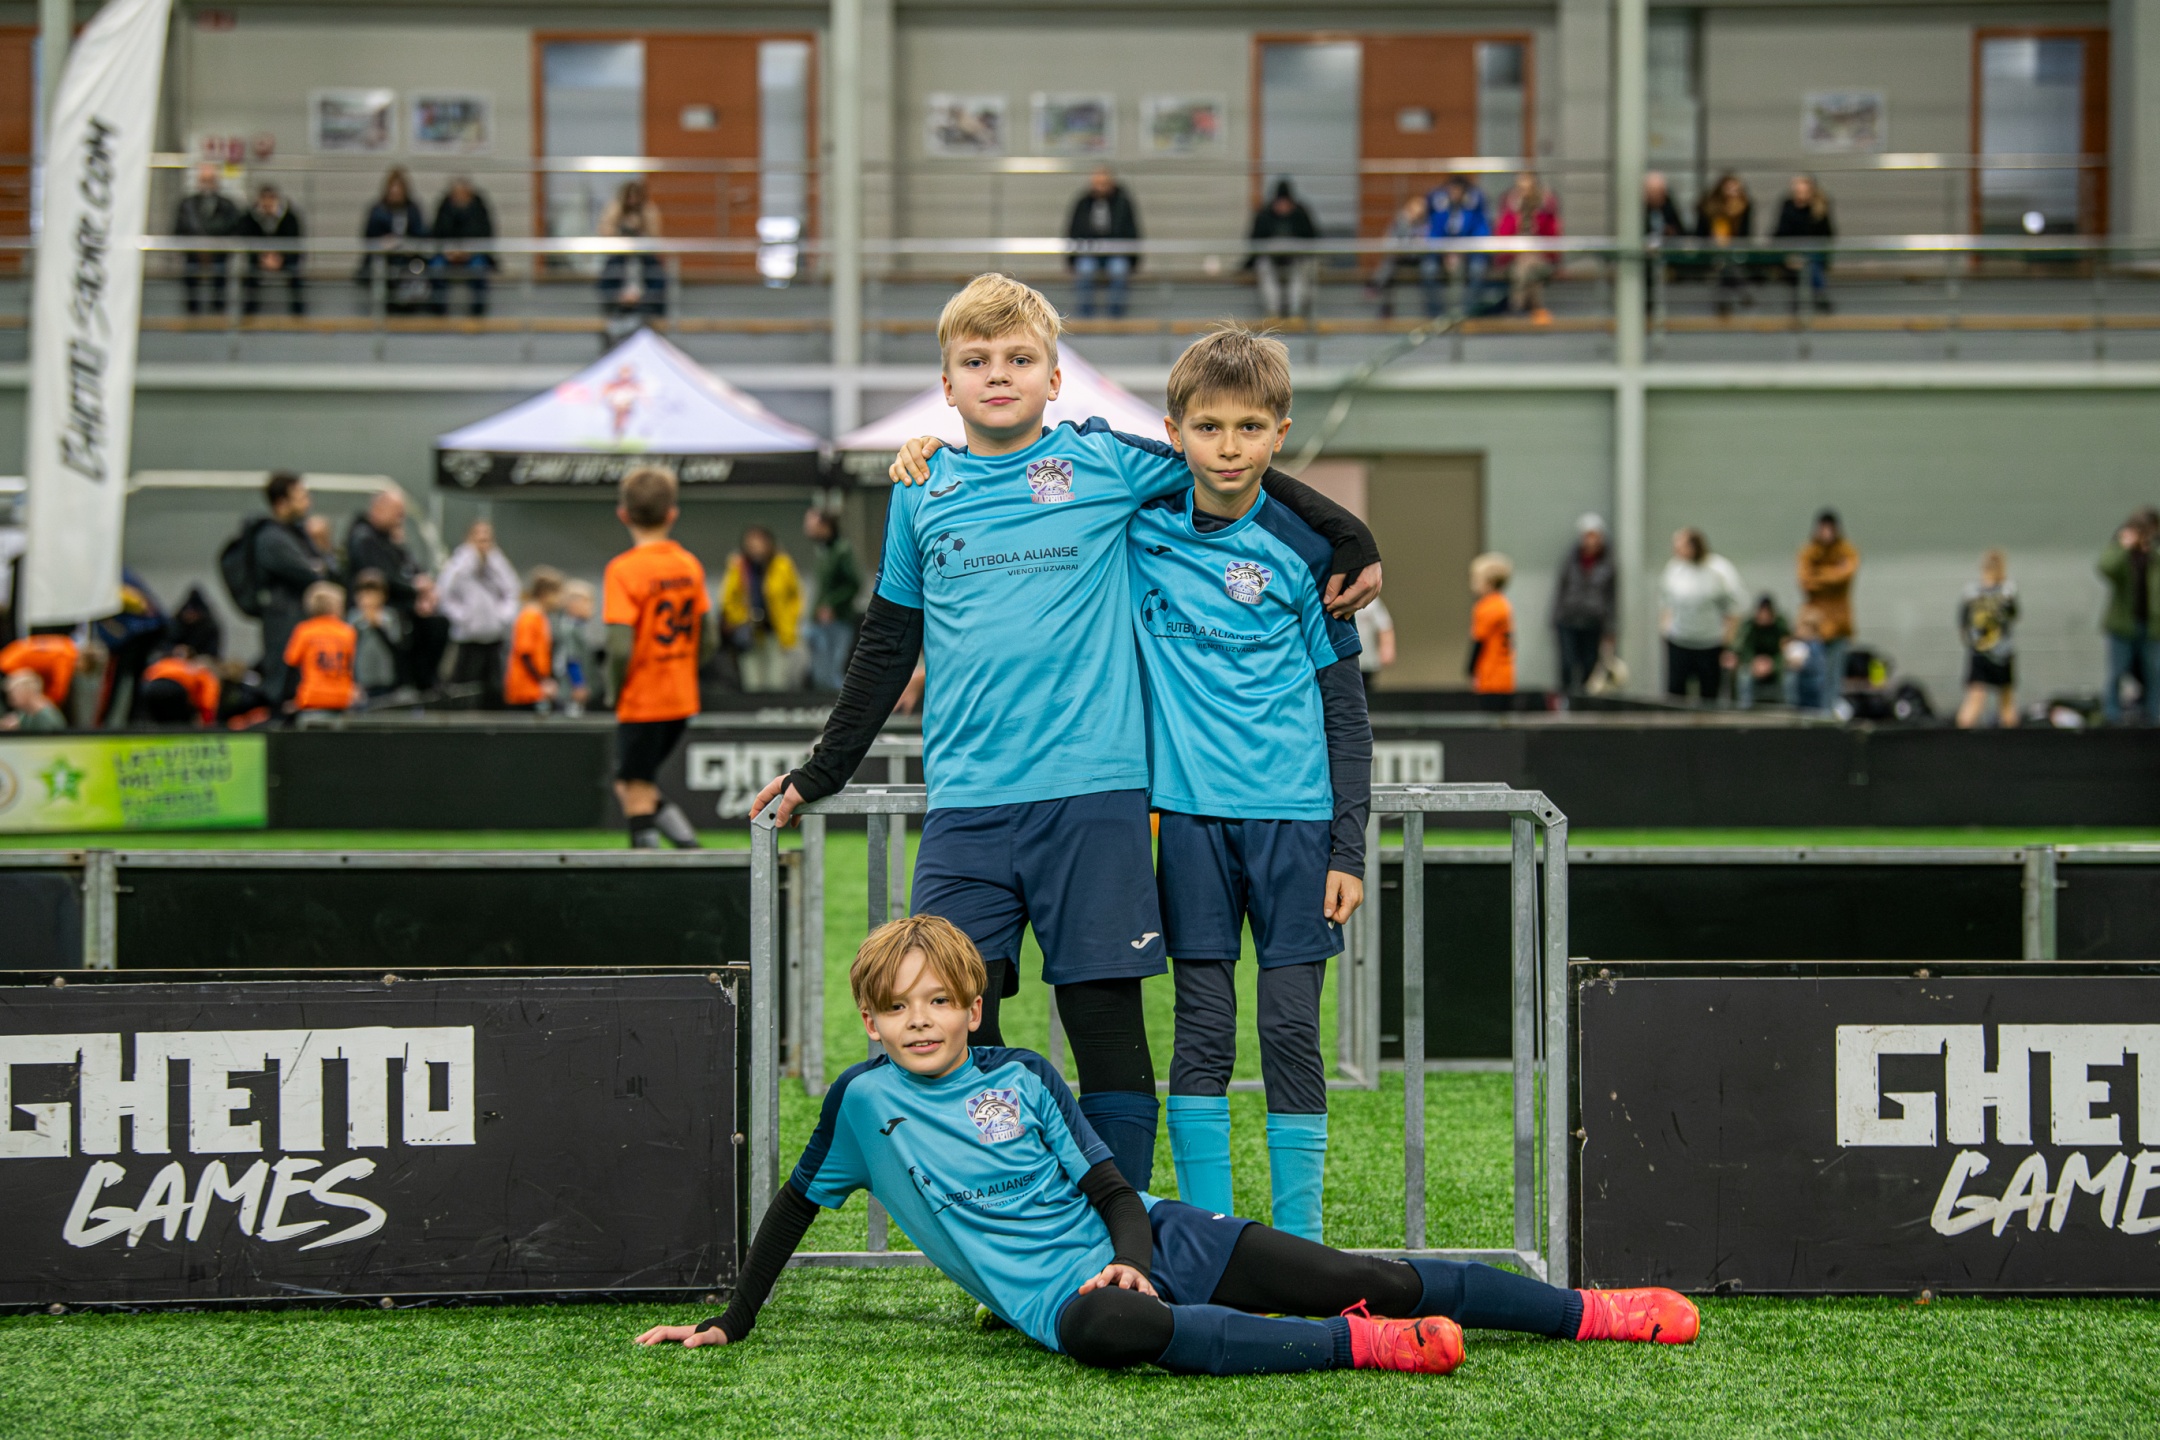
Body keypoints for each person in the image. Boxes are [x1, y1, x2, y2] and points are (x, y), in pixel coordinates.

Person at [753, 273, 1381, 1192]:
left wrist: (1349, 535)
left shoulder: (1106, 464)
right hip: (967, 807)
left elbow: (1226, 455)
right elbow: (887, 644)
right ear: (947, 384)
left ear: (1054, 379)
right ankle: (1014, 1225)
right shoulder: (921, 490)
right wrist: (823, 769)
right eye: (976, 361)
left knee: (1105, 1030)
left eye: (1019, 359)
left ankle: (1120, 1238)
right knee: (953, 1023)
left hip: (1095, 801)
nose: (998, 375)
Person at [633, 915, 1698, 1373]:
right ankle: (1364, 1347)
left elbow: (1109, 1189)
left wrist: (1135, 1258)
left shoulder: (1024, 1075)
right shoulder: (862, 1105)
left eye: (940, 1002)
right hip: (1065, 1298)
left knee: (1360, 1274)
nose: (921, 1022)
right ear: (870, 1020)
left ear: (973, 1009)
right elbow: (794, 1205)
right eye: (899, 1007)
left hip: (1152, 1242)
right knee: (1118, 1333)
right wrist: (731, 1319)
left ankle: (1588, 1313)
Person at [1128, 328, 1370, 1243]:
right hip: (1189, 825)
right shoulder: (1137, 527)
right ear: (1174, 433)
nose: (1229, 447)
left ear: (1280, 434)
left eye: (1251, 427)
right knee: (1201, 1031)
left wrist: (1349, 847)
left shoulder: (1310, 554)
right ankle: (1214, 1239)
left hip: (1296, 827)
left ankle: (1301, 1246)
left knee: (1291, 1032)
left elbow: (1345, 713)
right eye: (1208, 427)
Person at [605, 465, 715, 848]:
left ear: (623, 515)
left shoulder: (623, 570)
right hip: (681, 698)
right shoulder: (688, 565)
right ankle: (690, 850)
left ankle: (652, 863)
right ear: (672, 514)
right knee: (634, 781)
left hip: (643, 698)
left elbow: (620, 646)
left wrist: (613, 690)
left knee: (634, 786)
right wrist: (683, 669)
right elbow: (708, 637)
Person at [344, 489, 445, 693]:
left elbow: (409, 570)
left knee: (436, 622)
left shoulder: (389, 540)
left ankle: (422, 684)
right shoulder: (364, 538)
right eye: (397, 512)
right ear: (380, 509)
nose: (401, 518)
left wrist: (424, 592)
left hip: (399, 605)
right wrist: (414, 589)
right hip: (386, 608)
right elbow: (382, 578)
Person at [251, 471, 329, 698]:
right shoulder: (271, 538)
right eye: (300, 496)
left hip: (298, 623)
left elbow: (323, 569)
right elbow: (310, 573)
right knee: (283, 691)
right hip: (284, 629)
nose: (308, 502)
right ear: (281, 503)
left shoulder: (297, 534)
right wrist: (317, 567)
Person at [436, 520, 520, 708]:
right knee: (463, 685)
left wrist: (503, 617)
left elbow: (512, 591)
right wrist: (463, 617)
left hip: (494, 637)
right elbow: (444, 595)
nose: (483, 544)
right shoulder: (457, 566)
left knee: (494, 687)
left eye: (487, 539)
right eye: (479, 539)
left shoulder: (498, 563)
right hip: (467, 638)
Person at [1659, 528, 1744, 703]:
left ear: (1694, 546)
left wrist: (1728, 643)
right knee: (1675, 694)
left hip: (1709, 644)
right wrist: (1665, 629)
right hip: (1679, 642)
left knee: (1709, 695)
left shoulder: (1719, 570)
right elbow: (1665, 601)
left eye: (1680, 546)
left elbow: (1734, 607)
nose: (1675, 550)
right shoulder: (1674, 568)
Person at [720, 526, 804, 693]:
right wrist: (741, 618)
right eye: (752, 543)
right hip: (750, 632)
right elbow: (728, 599)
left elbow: (795, 596)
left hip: (775, 631)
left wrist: (790, 620)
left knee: (777, 681)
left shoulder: (782, 564)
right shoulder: (738, 566)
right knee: (752, 681)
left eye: (760, 542)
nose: (756, 547)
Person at [2099, 515, 2160, 724]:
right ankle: (2112, 717)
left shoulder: (2155, 557)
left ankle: (2154, 715)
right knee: (2118, 671)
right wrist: (2123, 547)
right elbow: (2106, 567)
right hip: (2123, 626)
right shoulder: (2123, 557)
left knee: (2154, 672)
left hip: (2152, 627)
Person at [1796, 508, 1859, 708]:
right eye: (1822, 528)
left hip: (1839, 624)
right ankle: (1815, 712)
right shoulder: (1809, 552)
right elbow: (1805, 581)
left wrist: (1819, 574)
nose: (1826, 533)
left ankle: (1829, 711)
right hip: (1814, 624)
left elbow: (1846, 575)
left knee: (1834, 674)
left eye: (1830, 528)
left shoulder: (1846, 551)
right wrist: (1833, 572)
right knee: (1813, 672)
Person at [1550, 513, 1615, 696]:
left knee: (1589, 665)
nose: (1590, 541)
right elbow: (1561, 588)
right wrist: (1556, 616)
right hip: (1568, 618)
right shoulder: (1571, 559)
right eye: (1587, 536)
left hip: (1593, 621)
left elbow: (1611, 597)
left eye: (1594, 536)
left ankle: (1585, 702)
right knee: (1567, 664)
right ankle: (1565, 700)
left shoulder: (1608, 563)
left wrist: (1611, 628)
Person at [1066, 168, 1142, 320]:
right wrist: (1072, 258)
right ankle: (1085, 315)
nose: (1100, 188)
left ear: (1111, 184)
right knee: (1085, 269)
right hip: (1089, 252)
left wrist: (1133, 258)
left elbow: (1132, 231)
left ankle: (1116, 314)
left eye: (1103, 184)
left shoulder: (1123, 202)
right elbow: (1074, 230)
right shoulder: (1083, 203)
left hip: (1116, 253)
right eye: (1097, 184)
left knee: (1119, 270)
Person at [803, 508, 863, 693]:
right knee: (821, 673)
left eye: (811, 523)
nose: (807, 527)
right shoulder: (824, 551)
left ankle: (838, 705)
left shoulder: (842, 550)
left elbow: (854, 584)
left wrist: (832, 605)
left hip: (838, 621)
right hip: (820, 622)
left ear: (825, 525)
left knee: (832, 672)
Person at [1957, 549, 2019, 729]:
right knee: (2005, 702)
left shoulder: (1972, 592)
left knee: (1976, 699)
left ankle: (1960, 739)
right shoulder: (2007, 591)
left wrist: (1973, 642)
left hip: (1983, 652)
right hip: (2001, 653)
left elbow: (1963, 624)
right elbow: (2013, 615)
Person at [1420, 174, 1493, 319]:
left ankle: (1467, 312)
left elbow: (1481, 233)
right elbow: (1434, 233)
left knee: (1478, 269)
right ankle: (1437, 314)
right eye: (1451, 190)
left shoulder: (1474, 208)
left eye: (1457, 190)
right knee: (1428, 270)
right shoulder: (1440, 208)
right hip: (1443, 253)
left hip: (1469, 253)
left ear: (1464, 192)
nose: (1454, 193)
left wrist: (1463, 252)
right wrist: (1444, 252)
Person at [174, 162, 242, 316]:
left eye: (210, 180)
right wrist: (199, 247)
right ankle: (192, 313)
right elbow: (179, 229)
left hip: (219, 252)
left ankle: (218, 312)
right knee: (190, 274)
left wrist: (212, 246)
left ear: (217, 182)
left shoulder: (227, 205)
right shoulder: (187, 204)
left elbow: (234, 228)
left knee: (221, 272)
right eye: (204, 180)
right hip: (193, 253)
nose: (207, 184)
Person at [360, 169, 431, 314]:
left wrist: (407, 243)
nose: (396, 193)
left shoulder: (412, 210)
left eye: (399, 190)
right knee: (381, 270)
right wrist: (383, 241)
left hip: (408, 258)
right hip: (384, 258)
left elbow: (422, 234)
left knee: (418, 270)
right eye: (393, 190)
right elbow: (367, 236)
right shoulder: (377, 210)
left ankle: (409, 308)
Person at [1247, 181, 1320, 320]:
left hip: (1297, 259)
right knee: (1263, 268)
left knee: (1302, 273)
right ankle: (1273, 312)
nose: (1283, 207)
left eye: (1286, 203)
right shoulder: (1265, 215)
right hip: (1271, 260)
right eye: (1280, 203)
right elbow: (1255, 242)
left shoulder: (1300, 214)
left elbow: (1312, 239)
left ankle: (1295, 313)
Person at [282, 582, 356, 716]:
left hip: (312, 699)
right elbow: (352, 663)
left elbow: (291, 661)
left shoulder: (304, 631)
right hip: (342, 698)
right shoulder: (347, 632)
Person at [1495, 173, 1560, 322]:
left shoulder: (1546, 210)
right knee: (1525, 268)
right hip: (1514, 258)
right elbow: (1502, 236)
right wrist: (1515, 217)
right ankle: (1537, 309)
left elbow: (1553, 238)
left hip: (1542, 258)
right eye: (1520, 189)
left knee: (1528, 267)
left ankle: (1516, 307)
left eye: (1528, 189)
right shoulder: (1510, 210)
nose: (1524, 193)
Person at [599, 180, 666, 324]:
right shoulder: (616, 208)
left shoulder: (648, 210)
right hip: (620, 252)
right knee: (610, 272)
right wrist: (621, 229)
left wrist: (641, 225)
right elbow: (605, 230)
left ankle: (648, 305)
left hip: (643, 252)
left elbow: (655, 234)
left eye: (636, 197)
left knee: (656, 275)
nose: (633, 201)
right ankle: (617, 303)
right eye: (629, 197)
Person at [431, 178, 496, 318]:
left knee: (479, 267)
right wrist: (449, 251)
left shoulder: (479, 209)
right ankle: (438, 311)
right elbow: (437, 233)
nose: (460, 197)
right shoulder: (445, 208)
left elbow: (485, 234)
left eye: (463, 193)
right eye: (457, 194)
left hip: (473, 254)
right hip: (447, 254)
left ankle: (478, 312)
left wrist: (469, 251)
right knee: (436, 266)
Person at [237, 183, 305, 317]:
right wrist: (262, 258)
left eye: (271, 199)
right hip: (259, 258)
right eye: (264, 199)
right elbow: (246, 239)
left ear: (276, 199)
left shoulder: (289, 217)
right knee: (250, 275)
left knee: (295, 272)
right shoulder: (250, 217)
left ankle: (298, 312)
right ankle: (249, 312)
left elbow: (294, 240)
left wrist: (280, 258)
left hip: (283, 257)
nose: (267, 203)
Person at [1772, 174, 1835, 314]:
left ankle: (1803, 303)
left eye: (1803, 190)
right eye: (1797, 189)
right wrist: (1789, 255)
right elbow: (1780, 233)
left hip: (1814, 253)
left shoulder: (1819, 207)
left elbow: (1827, 235)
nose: (1800, 193)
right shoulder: (1787, 206)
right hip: (1791, 253)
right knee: (1807, 263)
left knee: (1809, 259)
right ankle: (1820, 294)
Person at [505, 568, 564, 711]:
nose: (560, 600)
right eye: (558, 594)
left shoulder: (540, 617)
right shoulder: (529, 618)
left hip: (536, 690)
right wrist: (544, 682)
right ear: (545, 594)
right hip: (526, 691)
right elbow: (525, 654)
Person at [1696, 172, 1754, 317]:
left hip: (1736, 254)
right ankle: (1742, 290)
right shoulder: (1710, 208)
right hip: (1712, 251)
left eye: (1736, 189)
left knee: (1726, 264)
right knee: (1724, 261)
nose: (1732, 193)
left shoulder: (1744, 208)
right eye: (1729, 188)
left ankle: (1723, 303)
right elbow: (1701, 233)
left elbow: (1746, 235)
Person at [1366, 196, 1427, 320]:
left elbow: (1424, 243)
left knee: (1429, 269)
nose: (1416, 213)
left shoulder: (1425, 224)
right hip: (1401, 256)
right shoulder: (1400, 222)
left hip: (1419, 258)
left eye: (1420, 211)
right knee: (1390, 265)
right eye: (1413, 210)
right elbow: (1388, 241)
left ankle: (1375, 285)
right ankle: (1384, 306)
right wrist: (1406, 225)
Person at [348, 572, 404, 700]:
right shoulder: (354, 617)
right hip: (363, 678)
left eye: (373, 593)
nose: (368, 598)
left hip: (386, 676)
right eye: (363, 593)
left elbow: (396, 642)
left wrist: (379, 625)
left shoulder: (390, 616)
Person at [1467, 553, 1515, 699]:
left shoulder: (1485, 608)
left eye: (1476, 579)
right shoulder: (1503, 604)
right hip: (1506, 675)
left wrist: (1470, 669)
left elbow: (1479, 642)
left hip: (1490, 677)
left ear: (1489, 583)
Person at [1733, 594, 1793, 709]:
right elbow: (1742, 648)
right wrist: (1753, 662)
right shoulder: (1749, 625)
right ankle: (1744, 707)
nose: (1764, 616)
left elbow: (1787, 649)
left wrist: (1773, 664)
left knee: (1789, 677)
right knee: (1744, 675)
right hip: (1754, 663)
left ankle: (1787, 708)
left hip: (1775, 663)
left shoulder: (1780, 625)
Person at [0, 628, 80, 714]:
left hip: (8, 655)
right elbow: (59, 690)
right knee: (27, 689)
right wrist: (47, 709)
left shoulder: (67, 643)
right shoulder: (67, 659)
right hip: (10, 667)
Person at [139, 648, 222, 727]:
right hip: (176, 688)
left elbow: (147, 674)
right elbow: (208, 697)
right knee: (179, 722)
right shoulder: (202, 671)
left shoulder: (169, 663)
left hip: (150, 687)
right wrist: (208, 719)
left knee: (160, 720)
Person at [558, 579, 603, 713]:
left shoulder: (579, 627)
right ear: (574, 604)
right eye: (587, 602)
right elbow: (571, 659)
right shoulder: (569, 629)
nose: (592, 607)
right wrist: (579, 685)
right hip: (574, 692)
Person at [1354, 596, 1396, 699]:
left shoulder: (1371, 601)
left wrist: (1387, 648)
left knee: (1366, 695)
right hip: (1344, 660)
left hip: (1366, 661)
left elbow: (1384, 626)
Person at [1, 670, 65, 732]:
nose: (10, 698)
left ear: (27, 692)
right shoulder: (28, 712)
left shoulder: (46, 717)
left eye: (13, 693)